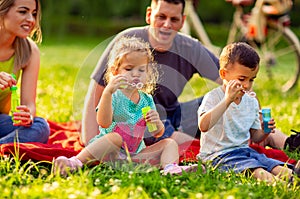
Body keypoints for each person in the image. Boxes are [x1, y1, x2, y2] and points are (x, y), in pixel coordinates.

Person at [81, 0, 299, 153]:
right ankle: (200, 148)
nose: (167, 25)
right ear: (149, 15)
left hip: (174, 113)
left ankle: (288, 141)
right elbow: (98, 91)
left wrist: (252, 112)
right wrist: (90, 139)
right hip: (138, 119)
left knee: (219, 106)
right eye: (161, 17)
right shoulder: (128, 41)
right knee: (167, 133)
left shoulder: (189, 47)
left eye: (174, 19)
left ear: (182, 20)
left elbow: (233, 78)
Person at [54, 36, 198, 176]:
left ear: (148, 73)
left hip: (134, 155)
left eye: (141, 70)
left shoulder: (146, 99)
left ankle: (170, 169)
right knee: (115, 137)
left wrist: (157, 123)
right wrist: (107, 93)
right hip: (110, 152)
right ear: (116, 72)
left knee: (169, 143)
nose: (135, 74)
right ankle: (75, 162)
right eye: (129, 69)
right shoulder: (114, 95)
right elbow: (103, 123)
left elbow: (156, 133)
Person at [197, 42, 294, 183]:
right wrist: (227, 100)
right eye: (242, 79)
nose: (247, 85)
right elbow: (203, 126)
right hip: (217, 155)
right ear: (224, 74)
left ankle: (293, 179)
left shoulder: (250, 101)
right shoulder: (213, 97)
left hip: (244, 152)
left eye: (251, 80)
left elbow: (255, 137)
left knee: (280, 168)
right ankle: (282, 187)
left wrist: (265, 131)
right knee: (258, 171)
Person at [0, 0, 50, 144]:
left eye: (33, 14)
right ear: (2, 11)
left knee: (40, 127)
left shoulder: (29, 50)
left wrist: (27, 114)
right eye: (23, 11)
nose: (31, 20)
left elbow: (29, 103)